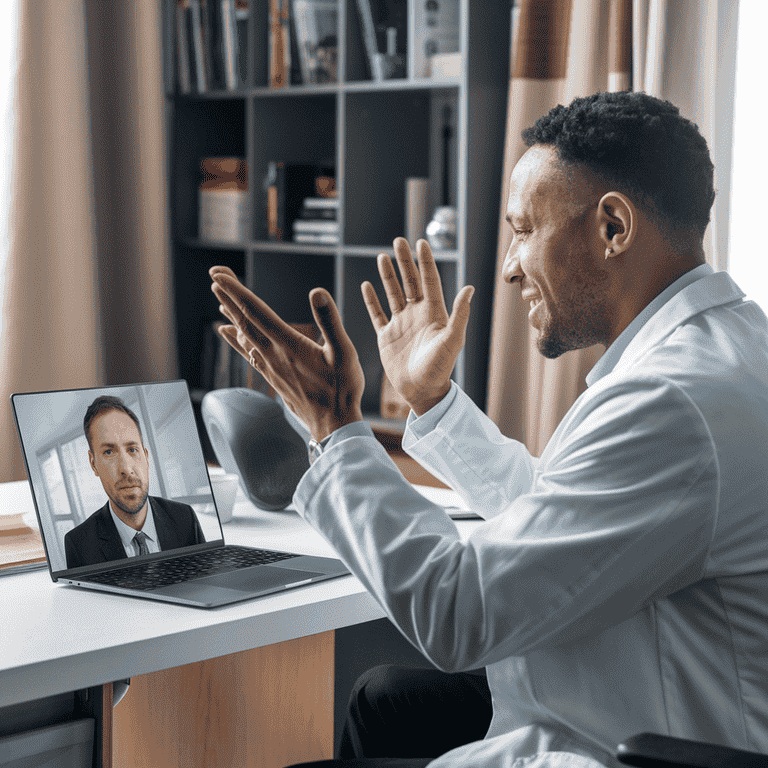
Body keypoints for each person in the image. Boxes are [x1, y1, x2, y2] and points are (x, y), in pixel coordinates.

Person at [210, 91, 768, 768]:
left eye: (525, 230)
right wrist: (433, 401)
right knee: (383, 698)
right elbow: (567, 515)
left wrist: (336, 427)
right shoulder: (725, 349)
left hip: (630, 748)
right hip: (644, 701)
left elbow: (458, 613)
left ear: (613, 227)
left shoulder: (672, 403)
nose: (508, 266)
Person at [64, 395, 205, 570]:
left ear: (146, 457)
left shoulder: (185, 518)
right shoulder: (79, 545)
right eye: (109, 452)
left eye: (132, 449)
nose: (126, 469)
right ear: (93, 464)